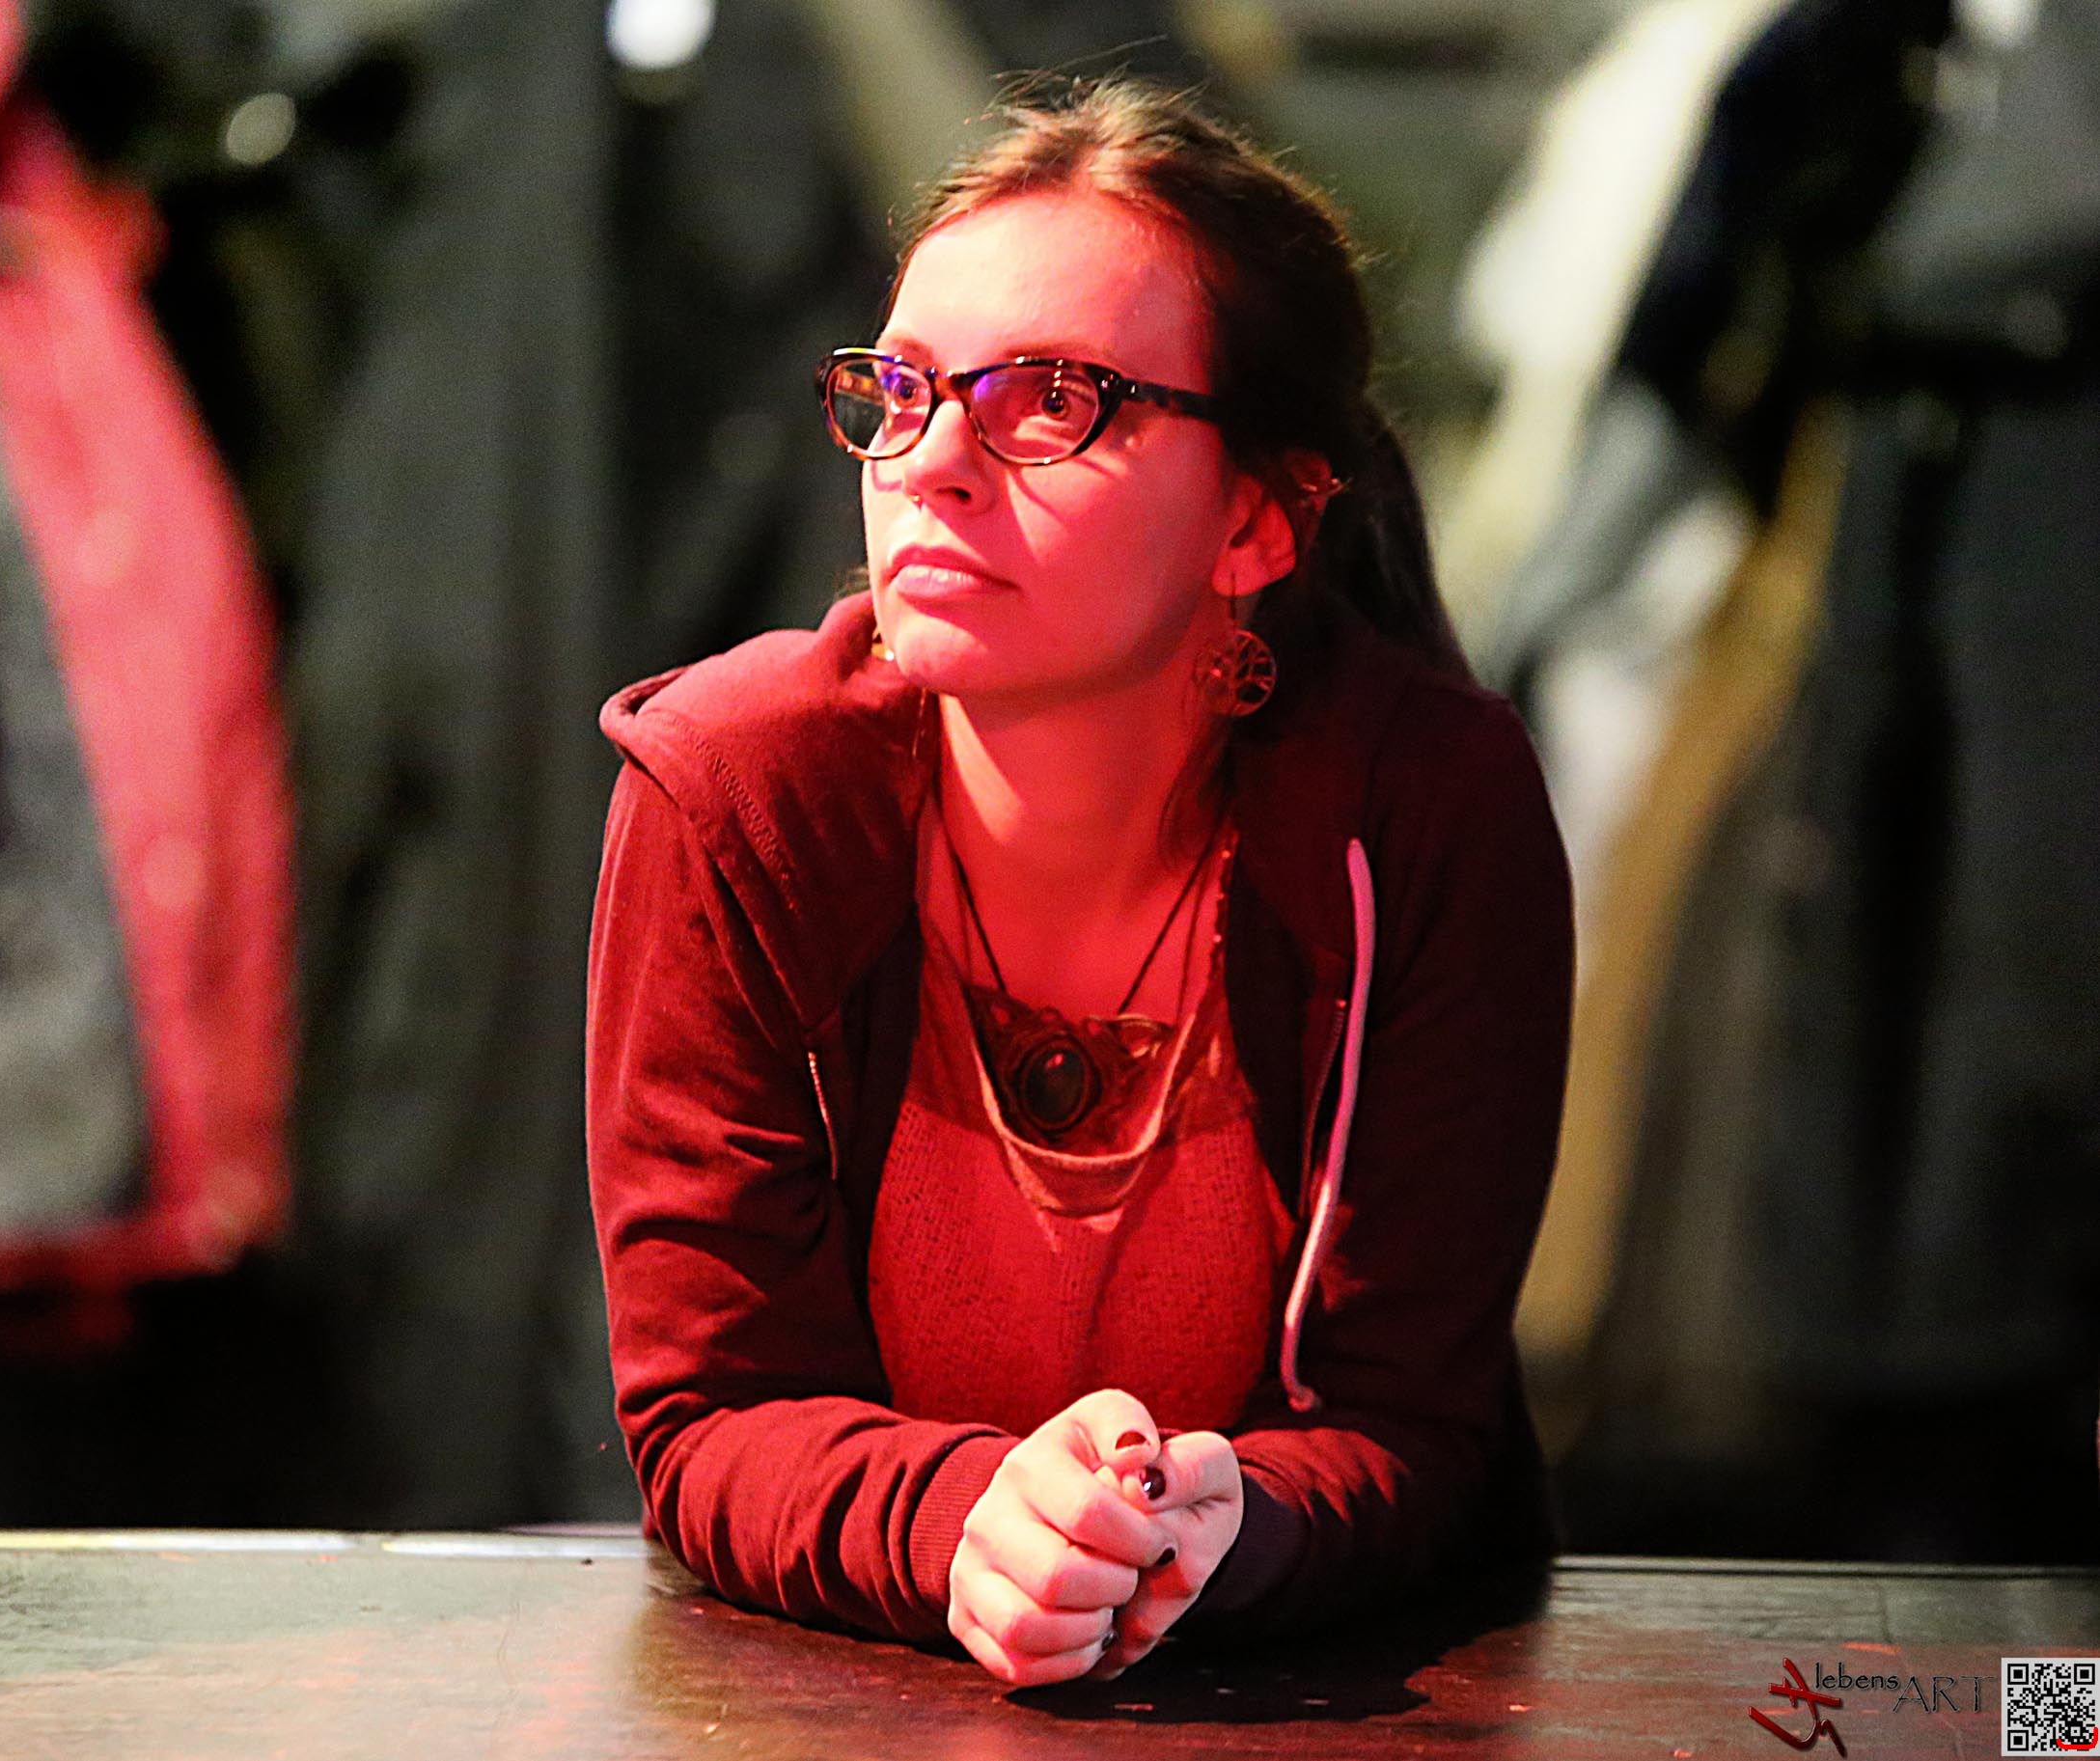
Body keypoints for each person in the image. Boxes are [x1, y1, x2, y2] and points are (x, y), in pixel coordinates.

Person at [584, 77, 1573, 1688]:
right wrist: (966, 1521)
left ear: (1256, 519)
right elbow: (710, 1410)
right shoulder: (734, 792)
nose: (931, 461)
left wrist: (1226, 1521)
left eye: (1049, 401)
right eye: (899, 389)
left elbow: (1409, 1421)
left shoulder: (1419, 808)